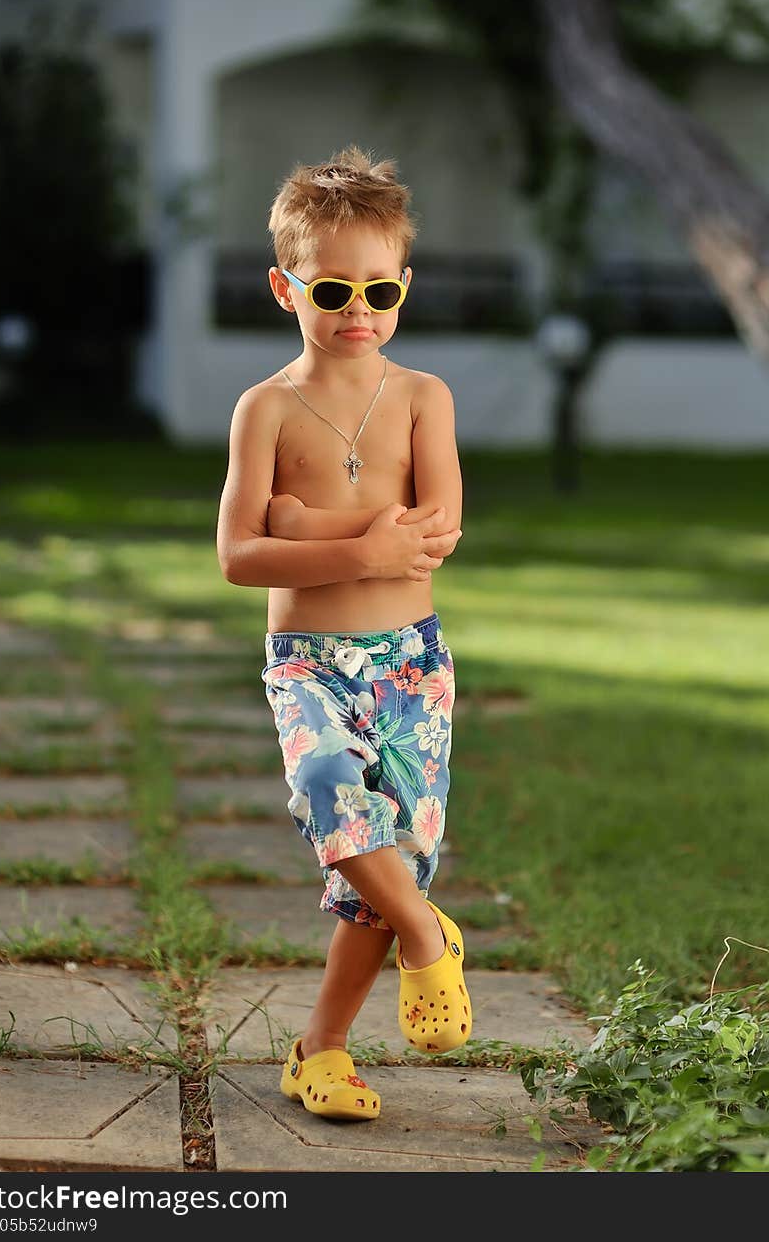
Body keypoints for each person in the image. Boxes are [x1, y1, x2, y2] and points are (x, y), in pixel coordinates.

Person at [216, 144, 471, 1122]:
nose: (357, 308)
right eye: (331, 288)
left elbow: (433, 535)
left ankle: (319, 1051)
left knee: (382, 857)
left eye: (377, 287)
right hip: (310, 664)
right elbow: (240, 555)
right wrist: (358, 546)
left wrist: (308, 526)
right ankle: (426, 934)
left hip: (411, 668)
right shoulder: (266, 411)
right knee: (331, 795)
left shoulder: (421, 399)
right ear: (286, 289)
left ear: (401, 286)